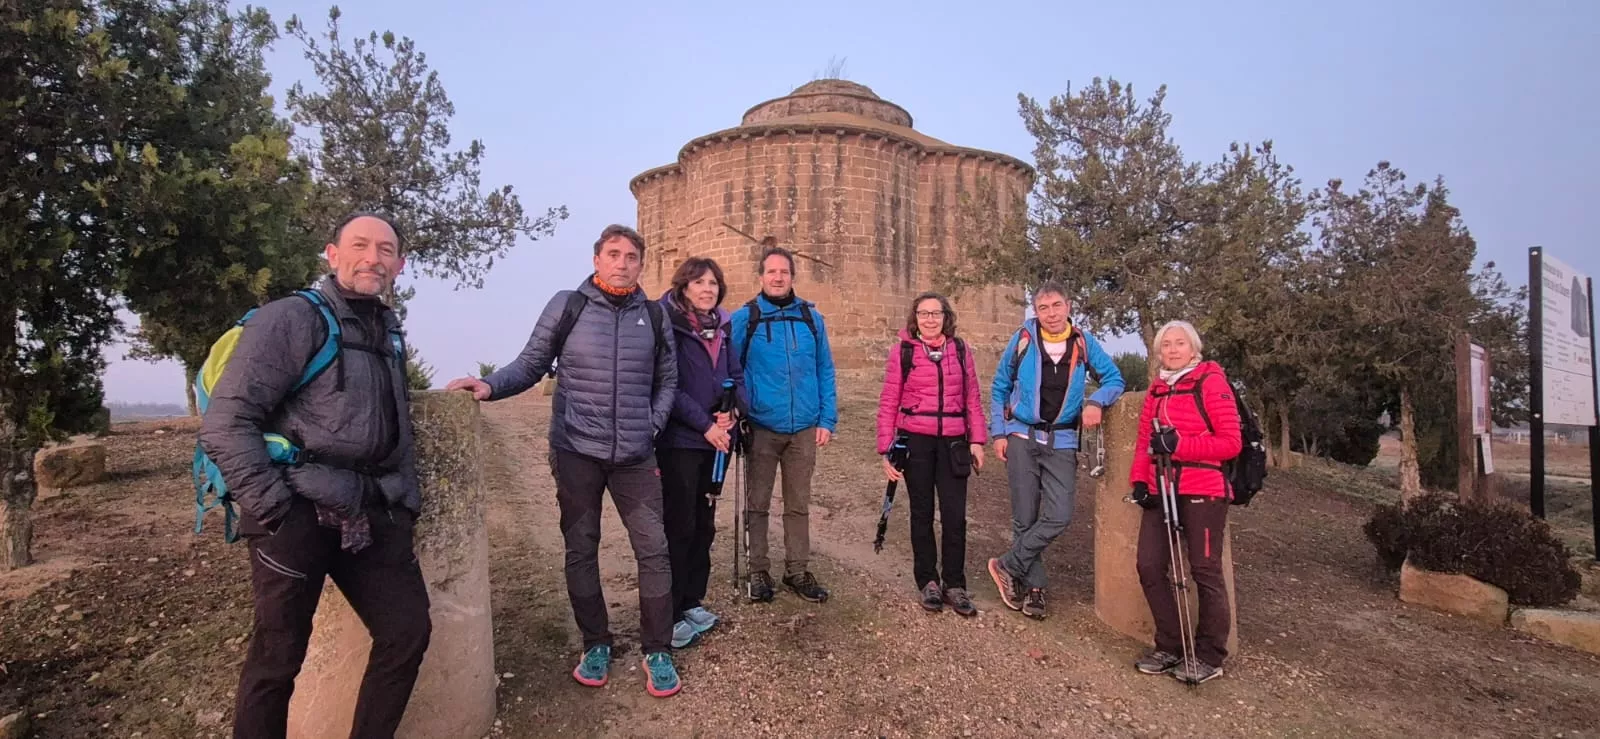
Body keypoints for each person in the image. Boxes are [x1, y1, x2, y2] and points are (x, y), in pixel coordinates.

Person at [198, 212, 432, 739]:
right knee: (277, 659)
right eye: (360, 245)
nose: (373, 258)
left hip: (369, 513)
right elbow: (226, 421)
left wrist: (406, 500)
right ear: (332, 253)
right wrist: (274, 507)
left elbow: (396, 427)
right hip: (296, 511)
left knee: (406, 632)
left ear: (400, 263)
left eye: (385, 250)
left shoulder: (386, 330)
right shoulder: (290, 318)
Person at [444, 224, 683, 698]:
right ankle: (596, 642)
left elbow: (668, 380)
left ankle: (657, 649)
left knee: (654, 550)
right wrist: (490, 385)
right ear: (596, 259)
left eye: (631, 256)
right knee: (581, 548)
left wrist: (651, 425)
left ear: (641, 264)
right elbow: (532, 362)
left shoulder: (654, 317)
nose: (622, 262)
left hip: (636, 455)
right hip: (576, 450)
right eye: (613, 254)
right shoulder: (568, 305)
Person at [984, 281, 1125, 620]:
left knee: (1059, 514)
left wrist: (1096, 401)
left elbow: (1114, 379)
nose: (1050, 313)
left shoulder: (1083, 342)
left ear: (1068, 306)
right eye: (1043, 307)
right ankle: (1035, 589)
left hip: (1062, 440)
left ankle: (1007, 565)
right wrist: (998, 433)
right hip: (1021, 435)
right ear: (1035, 310)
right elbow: (1000, 386)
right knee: (1025, 515)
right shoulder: (1023, 339)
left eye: (1056, 306)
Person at [1128, 320, 1241, 685]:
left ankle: (1209, 654)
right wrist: (1139, 481)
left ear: (1194, 349)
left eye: (1180, 344)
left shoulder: (1212, 382)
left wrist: (1180, 446)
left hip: (1203, 487)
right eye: (1166, 345)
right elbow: (1146, 438)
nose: (1173, 350)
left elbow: (1230, 442)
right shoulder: (1158, 389)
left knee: (1205, 570)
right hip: (1162, 487)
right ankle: (1171, 644)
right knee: (1148, 565)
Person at [728, 244, 838, 603]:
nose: (778, 277)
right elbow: (732, 370)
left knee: (798, 504)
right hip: (761, 426)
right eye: (772, 272)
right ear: (761, 277)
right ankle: (758, 570)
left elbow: (825, 369)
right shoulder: (746, 318)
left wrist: (827, 418)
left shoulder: (811, 317)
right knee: (757, 503)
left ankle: (796, 570)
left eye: (784, 272)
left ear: (792, 277)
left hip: (804, 428)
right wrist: (739, 412)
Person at [876, 292, 987, 616]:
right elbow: (888, 401)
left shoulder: (961, 351)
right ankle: (928, 581)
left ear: (945, 317)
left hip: (953, 442)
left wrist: (977, 440)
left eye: (935, 313)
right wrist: (886, 449)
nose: (929, 319)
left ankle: (955, 583)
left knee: (955, 517)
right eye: (923, 314)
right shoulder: (904, 352)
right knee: (921, 513)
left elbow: (972, 398)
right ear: (915, 318)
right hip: (916, 442)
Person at [655, 256, 746, 648]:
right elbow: (668, 385)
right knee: (679, 526)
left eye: (712, 283)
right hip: (681, 441)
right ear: (683, 287)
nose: (707, 289)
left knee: (704, 524)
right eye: (699, 283)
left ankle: (692, 599)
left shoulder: (721, 328)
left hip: (717, 441)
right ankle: (669, 613)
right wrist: (705, 424)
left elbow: (736, 375)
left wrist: (733, 409)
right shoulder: (668, 325)